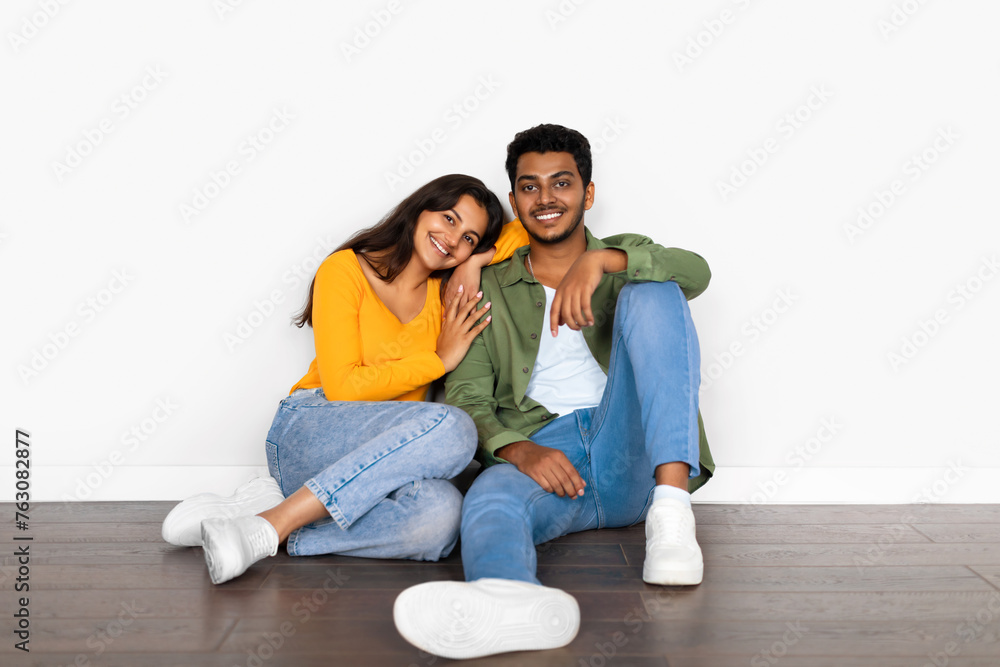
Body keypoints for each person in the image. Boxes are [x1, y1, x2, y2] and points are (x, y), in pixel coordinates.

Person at [393, 125, 716, 659]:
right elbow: (468, 396)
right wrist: (517, 448)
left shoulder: (622, 258)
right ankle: (508, 599)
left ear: (587, 194)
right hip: (545, 450)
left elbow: (697, 271)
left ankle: (673, 517)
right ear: (515, 201)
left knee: (656, 291)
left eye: (561, 183)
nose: (546, 199)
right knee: (490, 498)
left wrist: (602, 261)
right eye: (529, 187)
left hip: (631, 449)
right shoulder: (486, 287)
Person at [161, 174, 528, 585]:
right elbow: (344, 388)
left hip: (379, 463)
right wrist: (438, 361)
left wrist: (477, 261)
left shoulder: (445, 296)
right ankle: (270, 525)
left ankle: (265, 521)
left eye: (469, 238)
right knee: (455, 427)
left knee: (442, 518)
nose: (453, 239)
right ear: (420, 208)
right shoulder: (346, 269)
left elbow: (529, 224)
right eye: (448, 218)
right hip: (309, 428)